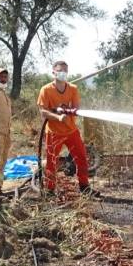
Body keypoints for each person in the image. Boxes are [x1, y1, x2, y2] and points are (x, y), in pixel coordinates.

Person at [37, 61, 100, 197]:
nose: (63, 73)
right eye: (60, 70)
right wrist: (58, 117)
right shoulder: (46, 90)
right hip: (54, 132)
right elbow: (43, 112)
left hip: (71, 131)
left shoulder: (73, 89)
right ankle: (49, 190)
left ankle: (84, 187)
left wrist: (69, 110)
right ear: (53, 72)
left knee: (82, 157)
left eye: (65, 70)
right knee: (51, 162)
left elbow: (76, 107)